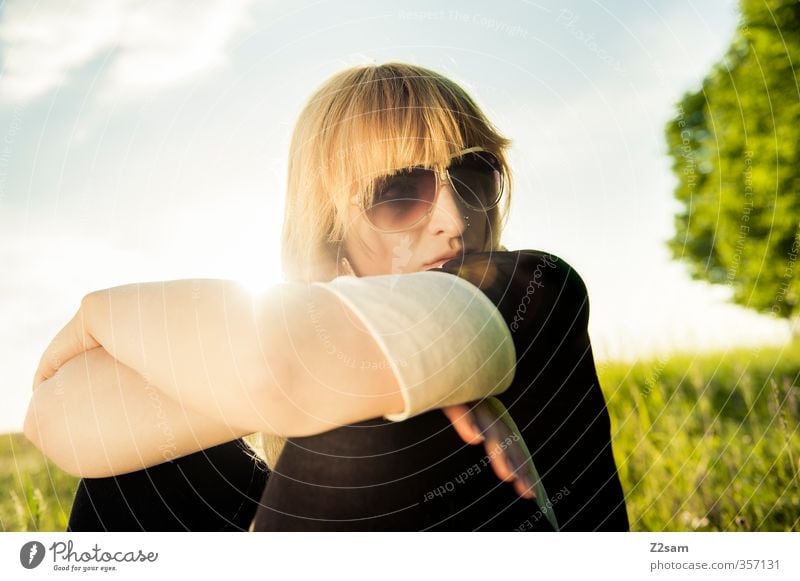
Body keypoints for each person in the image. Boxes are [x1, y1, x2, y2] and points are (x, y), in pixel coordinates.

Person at [25, 62, 629, 532]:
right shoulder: (291, 343)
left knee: (358, 430)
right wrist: (317, 380)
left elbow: (280, 368)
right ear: (331, 222)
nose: (452, 219)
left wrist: (100, 314)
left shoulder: (533, 290)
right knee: (163, 468)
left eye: (473, 176)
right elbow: (57, 420)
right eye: (400, 190)